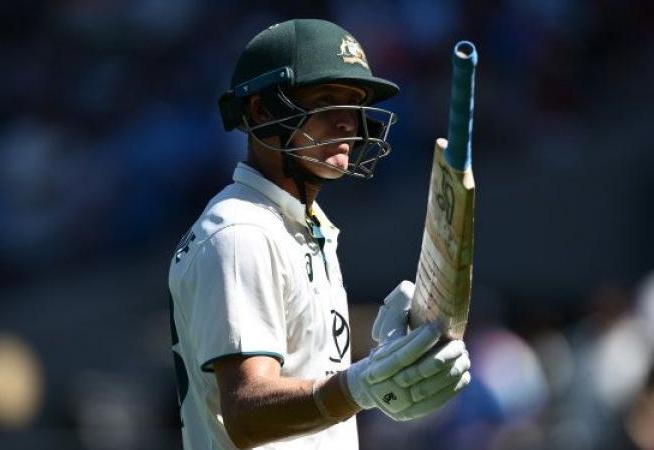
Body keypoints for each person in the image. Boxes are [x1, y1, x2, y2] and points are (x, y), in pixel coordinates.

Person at [168, 18, 471, 450]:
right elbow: (247, 413)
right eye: (327, 101)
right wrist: (360, 386)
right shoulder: (241, 232)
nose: (347, 122)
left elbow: (304, 373)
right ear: (261, 110)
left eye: (354, 105)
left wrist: (387, 358)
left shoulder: (298, 224)